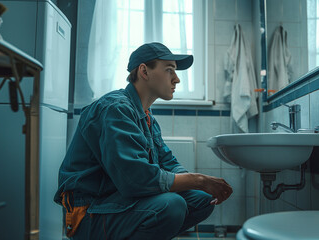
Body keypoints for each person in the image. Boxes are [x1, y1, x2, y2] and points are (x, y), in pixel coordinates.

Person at [54, 42, 233, 240]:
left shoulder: (145, 116)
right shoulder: (115, 109)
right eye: (169, 70)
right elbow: (136, 179)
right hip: (89, 210)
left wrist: (197, 184)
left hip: (117, 201)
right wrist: (198, 180)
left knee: (202, 200)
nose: (177, 79)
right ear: (144, 72)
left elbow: (167, 160)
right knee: (171, 206)